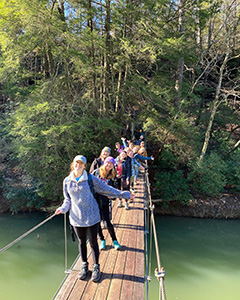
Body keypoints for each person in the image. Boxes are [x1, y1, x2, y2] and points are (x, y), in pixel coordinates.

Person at [55, 155, 133, 283]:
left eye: (81, 163)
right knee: (81, 242)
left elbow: (106, 190)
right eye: (76, 163)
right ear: (73, 164)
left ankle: (96, 267)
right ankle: (84, 265)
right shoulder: (67, 181)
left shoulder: (91, 179)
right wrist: (63, 209)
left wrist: (124, 194)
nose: (78, 165)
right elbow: (67, 200)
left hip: (92, 217)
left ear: (84, 166)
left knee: (93, 243)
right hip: (76, 218)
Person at [91, 156, 121, 250]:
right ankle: (102, 240)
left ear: (113, 166)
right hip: (94, 200)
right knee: (97, 221)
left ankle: (115, 241)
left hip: (104, 200)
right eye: (108, 163)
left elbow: (114, 188)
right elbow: (89, 184)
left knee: (108, 222)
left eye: (111, 164)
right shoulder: (96, 172)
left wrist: (113, 196)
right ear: (104, 163)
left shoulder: (112, 175)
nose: (109, 165)